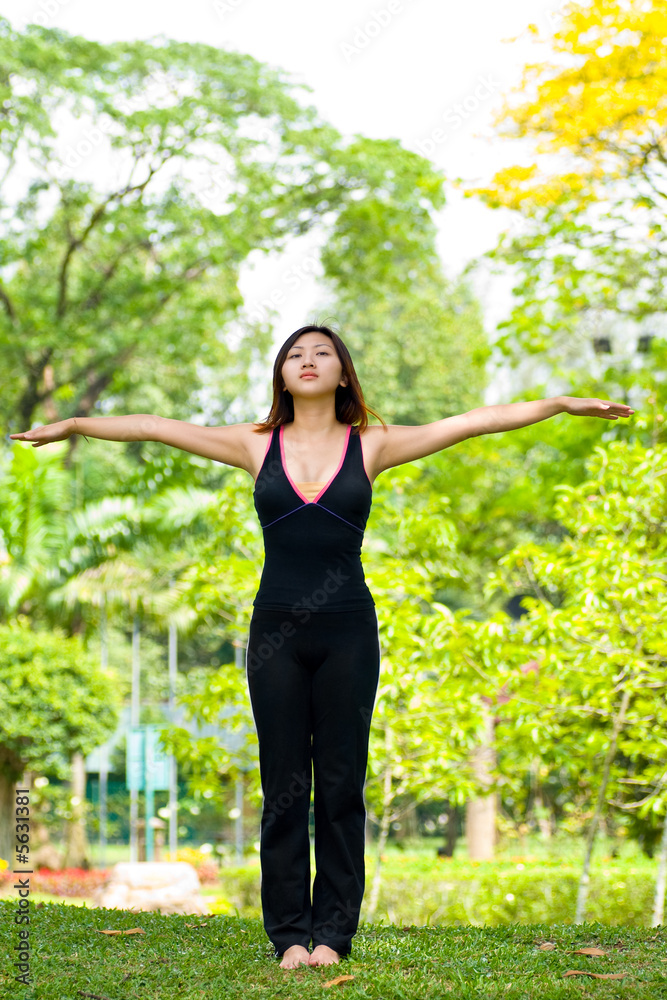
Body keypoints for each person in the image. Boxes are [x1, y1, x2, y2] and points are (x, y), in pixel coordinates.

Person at [9, 323, 635, 969]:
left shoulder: (373, 443)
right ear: (281, 374)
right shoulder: (254, 444)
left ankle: (333, 934)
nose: (307, 361)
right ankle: (288, 935)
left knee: (341, 784)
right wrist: (74, 424)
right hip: (275, 634)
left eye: (322, 353)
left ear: (342, 372)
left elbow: (474, 422)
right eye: (295, 354)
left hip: (348, 633)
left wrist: (559, 404)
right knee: (283, 782)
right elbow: (151, 426)